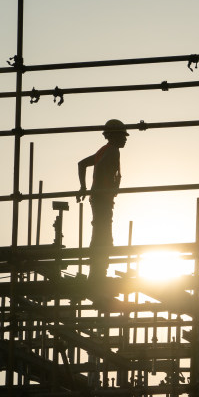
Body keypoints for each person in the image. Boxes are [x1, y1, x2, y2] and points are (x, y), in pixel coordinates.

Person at [77, 119, 128, 279]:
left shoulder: (104, 150)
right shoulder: (112, 150)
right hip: (102, 198)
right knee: (103, 233)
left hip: (100, 197)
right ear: (114, 136)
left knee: (100, 230)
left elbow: (82, 164)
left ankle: (97, 271)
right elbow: (99, 168)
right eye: (123, 136)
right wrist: (101, 189)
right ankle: (98, 273)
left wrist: (84, 187)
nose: (126, 139)